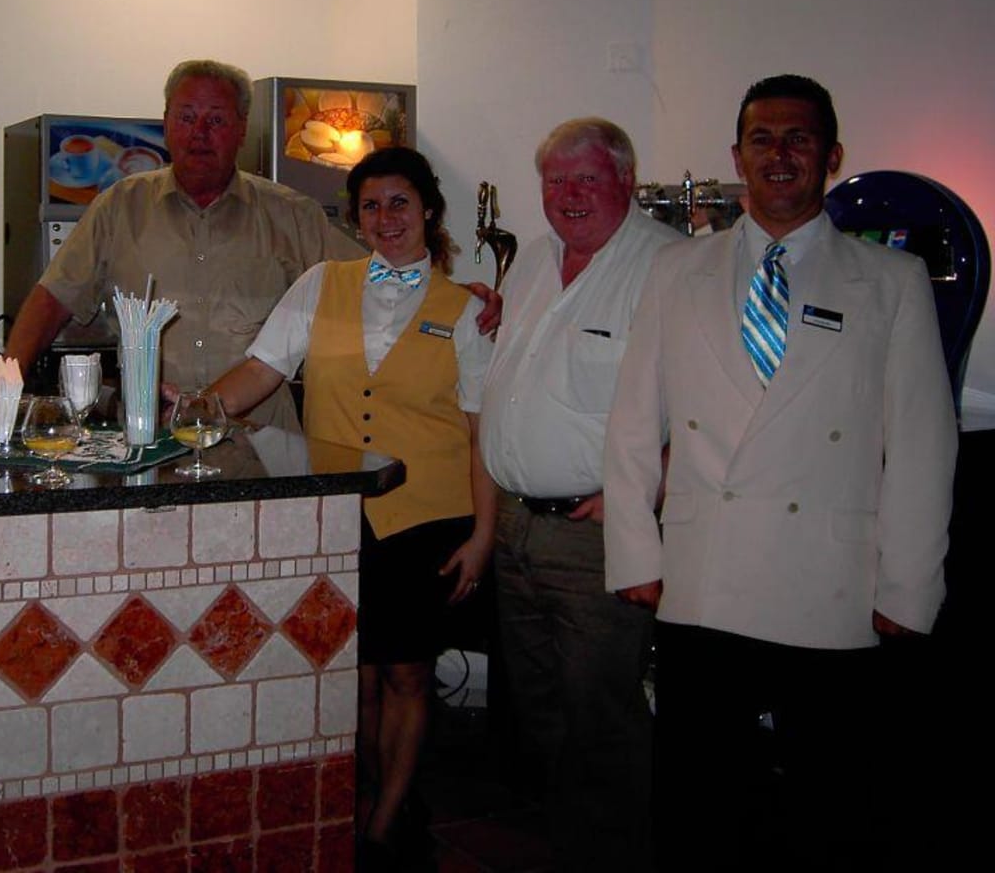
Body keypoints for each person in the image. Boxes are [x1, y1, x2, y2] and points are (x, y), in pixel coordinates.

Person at [602, 75, 957, 870]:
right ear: (737, 157)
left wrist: (908, 588)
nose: (780, 154)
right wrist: (633, 553)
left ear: (832, 155)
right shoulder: (677, 271)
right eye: (762, 139)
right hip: (704, 579)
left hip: (830, 584)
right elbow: (632, 426)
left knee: (824, 808)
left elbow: (924, 446)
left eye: (799, 138)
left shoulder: (891, 282)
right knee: (700, 803)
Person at [206, 147, 496, 871]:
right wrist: (192, 414)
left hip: (428, 517)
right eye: (371, 206)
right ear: (355, 218)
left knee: (408, 674)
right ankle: (368, 796)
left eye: (400, 203)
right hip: (337, 516)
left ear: (428, 210)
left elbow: (481, 433)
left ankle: (384, 826)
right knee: (352, 674)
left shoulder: (466, 310)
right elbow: (260, 371)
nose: (385, 218)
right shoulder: (321, 283)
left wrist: (484, 535)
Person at [478, 118, 681, 872]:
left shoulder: (669, 264)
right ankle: (569, 847)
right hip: (517, 527)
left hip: (595, 536)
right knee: (540, 709)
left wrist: (654, 480)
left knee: (602, 714)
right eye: (555, 180)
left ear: (626, 180)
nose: (568, 194)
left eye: (586, 178)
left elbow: (716, 395)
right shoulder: (534, 259)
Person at [1, 59, 365, 428]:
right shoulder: (119, 207)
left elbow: (368, 290)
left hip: (260, 439)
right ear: (166, 124)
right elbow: (52, 299)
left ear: (242, 128)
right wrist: (6, 386)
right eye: (186, 117)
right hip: (150, 433)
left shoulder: (292, 215)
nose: (199, 132)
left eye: (216, 120)